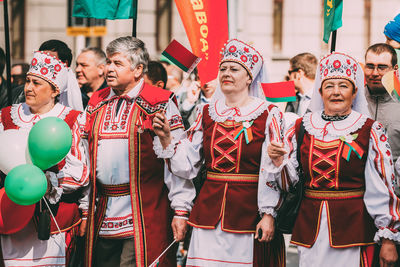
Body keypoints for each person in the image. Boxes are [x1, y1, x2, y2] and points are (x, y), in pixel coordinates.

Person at [153, 39, 286, 266]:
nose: (227, 73)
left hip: (248, 212)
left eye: (234, 69)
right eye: (223, 68)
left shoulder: (268, 113)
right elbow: (189, 166)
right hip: (208, 211)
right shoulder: (207, 112)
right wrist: (167, 137)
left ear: (249, 77)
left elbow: (269, 170)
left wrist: (268, 213)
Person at [268, 52, 400, 267]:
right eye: (329, 86)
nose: (336, 92)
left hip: (354, 231)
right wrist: (278, 161)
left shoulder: (369, 129)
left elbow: (382, 187)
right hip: (310, 231)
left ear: (355, 91)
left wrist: (388, 238)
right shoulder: (302, 126)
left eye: (343, 86)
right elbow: (287, 184)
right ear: (320, 91)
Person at [83, 36, 195, 267]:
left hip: (145, 213)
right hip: (102, 214)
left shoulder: (160, 102)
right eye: (109, 62)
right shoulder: (96, 101)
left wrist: (181, 210)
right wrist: (85, 208)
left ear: (138, 70)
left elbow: (176, 162)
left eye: (118, 63)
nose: (109, 69)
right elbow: (85, 154)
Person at [0, 51, 89, 266]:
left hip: (53, 218)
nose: (29, 88)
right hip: (12, 211)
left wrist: (51, 183)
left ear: (54, 90)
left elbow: (82, 170)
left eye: (37, 83)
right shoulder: (6, 116)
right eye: (28, 81)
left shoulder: (70, 119)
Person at [13, 40, 84, 111]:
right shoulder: (18, 95)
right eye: (41, 58)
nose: (45, 61)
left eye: (51, 59)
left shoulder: (81, 98)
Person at [364, 43, 400, 159]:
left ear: (395, 69)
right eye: (370, 66)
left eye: (382, 67)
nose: (375, 73)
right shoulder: (351, 101)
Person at [285, 52, 317, 117]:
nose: (288, 76)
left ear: (299, 73)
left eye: (290, 72)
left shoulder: (323, 98)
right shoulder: (292, 100)